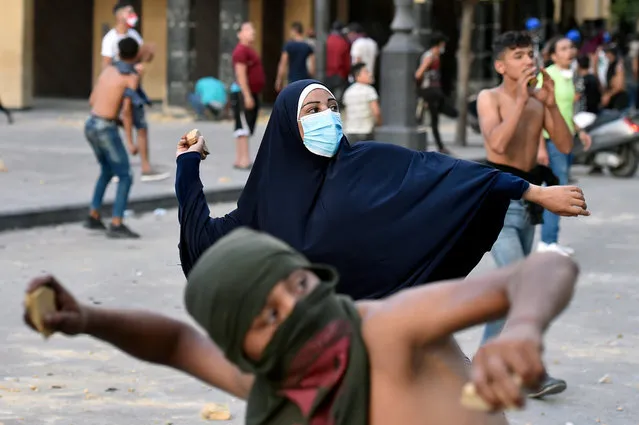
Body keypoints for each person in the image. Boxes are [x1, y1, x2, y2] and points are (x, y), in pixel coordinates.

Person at [24, 227, 581, 424]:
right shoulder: (275, 387)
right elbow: (175, 341)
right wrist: (90, 319)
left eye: (298, 286)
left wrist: (522, 329)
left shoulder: (385, 333)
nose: (298, 312)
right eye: (268, 316)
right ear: (244, 348)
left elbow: (546, 266)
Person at [175, 78, 589, 302]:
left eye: (332, 107)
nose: (328, 117)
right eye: (313, 110)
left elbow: (447, 174)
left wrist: (531, 192)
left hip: (379, 344)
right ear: (287, 125)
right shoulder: (256, 213)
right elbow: (199, 236)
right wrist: (188, 162)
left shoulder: (368, 164)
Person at [476, 32, 590, 397]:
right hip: (496, 204)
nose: (528, 61)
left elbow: (565, 145)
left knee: (510, 291)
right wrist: (523, 100)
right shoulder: (488, 98)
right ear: (500, 65)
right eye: (519, 55)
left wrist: (551, 104)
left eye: (530, 54)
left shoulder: (540, 103)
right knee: (524, 284)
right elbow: (497, 144)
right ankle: (530, 372)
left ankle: (481, 364)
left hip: (530, 203)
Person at [536, 37, 592, 258]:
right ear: (553, 55)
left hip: (565, 140)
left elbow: (565, 111)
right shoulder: (547, 75)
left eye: (571, 47)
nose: (570, 51)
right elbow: (538, 112)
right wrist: (540, 147)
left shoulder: (569, 76)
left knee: (561, 186)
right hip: (552, 141)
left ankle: (551, 240)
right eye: (563, 48)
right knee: (557, 190)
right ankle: (547, 242)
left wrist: (580, 130)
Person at [101, 1, 168, 182]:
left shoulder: (134, 35)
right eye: (129, 11)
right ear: (119, 15)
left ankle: (146, 167)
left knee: (141, 126)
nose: (132, 14)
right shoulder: (110, 39)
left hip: (134, 87)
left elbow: (140, 57)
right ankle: (117, 168)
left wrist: (147, 55)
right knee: (117, 127)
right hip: (119, 90)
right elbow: (106, 66)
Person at [84, 37, 142, 239]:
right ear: (135, 55)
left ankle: (94, 214)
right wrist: (131, 142)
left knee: (107, 170)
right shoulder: (130, 77)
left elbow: (93, 99)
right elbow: (126, 111)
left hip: (91, 124)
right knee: (125, 175)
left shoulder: (108, 70)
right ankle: (117, 222)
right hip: (106, 128)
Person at [231, 22, 266, 170]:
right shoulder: (240, 51)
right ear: (240, 34)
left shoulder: (249, 50)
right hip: (243, 93)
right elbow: (241, 74)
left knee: (245, 126)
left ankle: (241, 159)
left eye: (253, 29)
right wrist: (247, 96)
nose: (253, 32)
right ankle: (244, 160)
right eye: (248, 29)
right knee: (243, 126)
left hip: (251, 92)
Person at [415, 32, 451, 154]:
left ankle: (440, 146)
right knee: (436, 117)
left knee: (435, 119)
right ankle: (440, 146)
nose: (443, 47)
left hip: (435, 90)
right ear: (439, 44)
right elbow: (419, 74)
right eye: (443, 44)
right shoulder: (429, 56)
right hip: (430, 91)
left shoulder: (436, 56)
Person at [342, 63, 381, 143]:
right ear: (357, 76)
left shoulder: (348, 92)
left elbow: (346, 114)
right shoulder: (369, 90)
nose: (370, 74)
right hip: (366, 132)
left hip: (350, 132)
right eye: (366, 72)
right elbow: (376, 112)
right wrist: (379, 123)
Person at [275, 22, 315, 91]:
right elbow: (312, 68)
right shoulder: (307, 46)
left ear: (294, 31)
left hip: (292, 78)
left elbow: (283, 63)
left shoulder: (288, 46)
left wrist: (279, 80)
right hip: (305, 78)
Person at [325, 21, 352, 104]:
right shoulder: (343, 43)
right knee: (336, 101)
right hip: (340, 73)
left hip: (327, 73)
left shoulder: (327, 41)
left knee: (326, 99)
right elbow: (347, 61)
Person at [601, 44, 630, 111]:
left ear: (612, 53)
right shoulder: (610, 65)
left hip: (619, 100)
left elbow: (619, 86)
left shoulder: (618, 65)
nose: (605, 55)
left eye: (607, 53)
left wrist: (608, 95)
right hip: (613, 100)